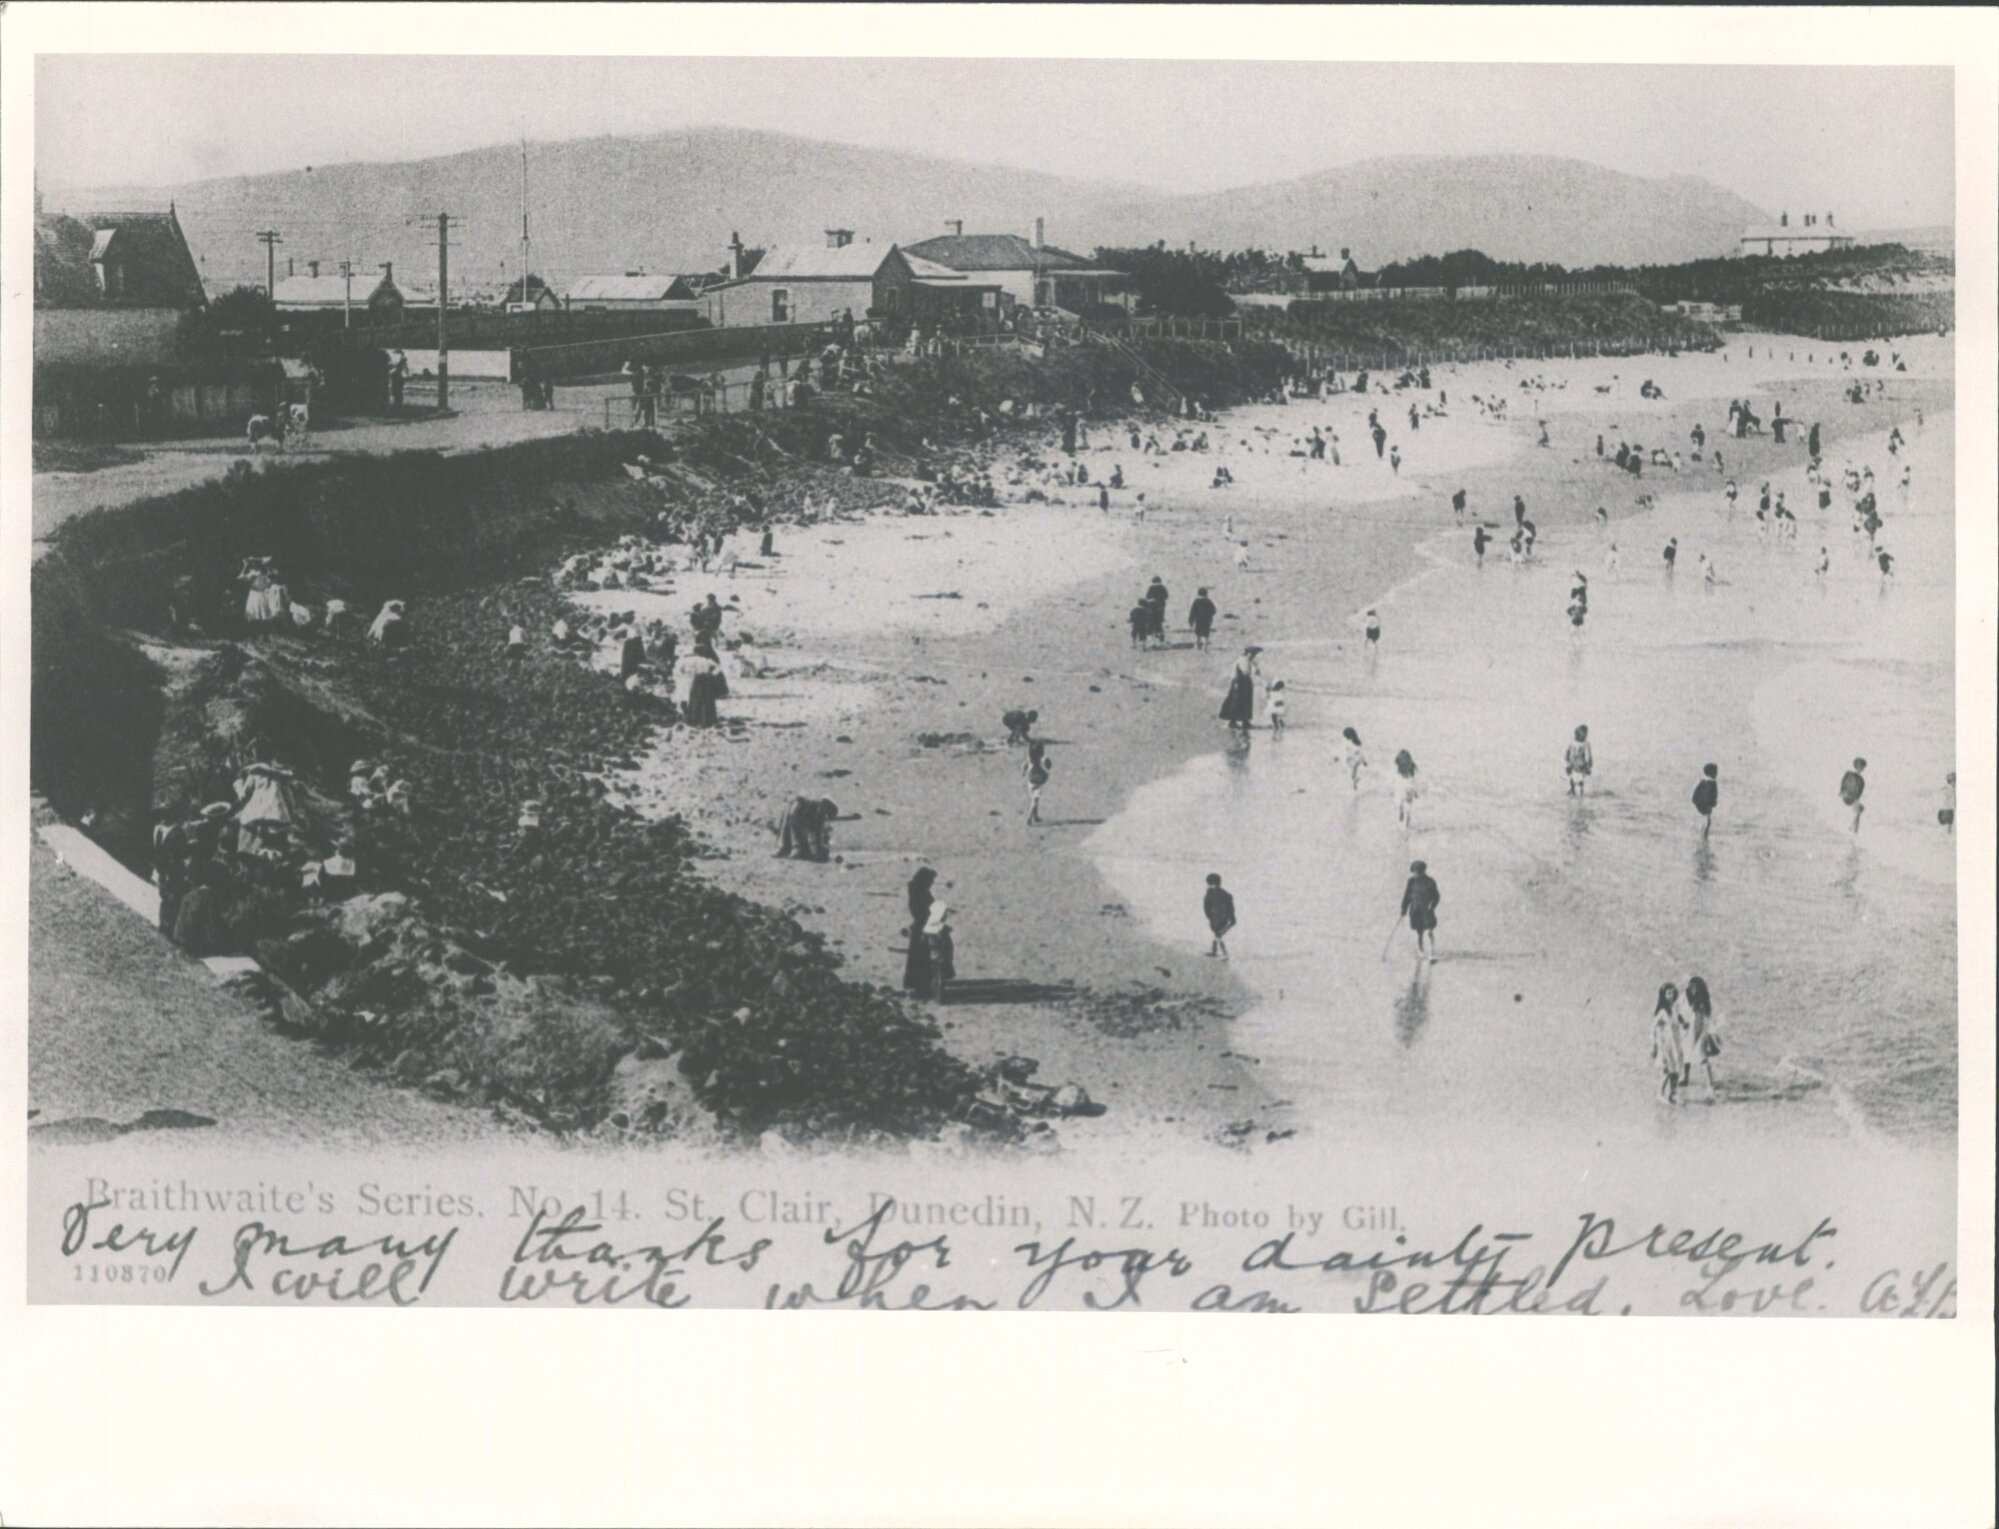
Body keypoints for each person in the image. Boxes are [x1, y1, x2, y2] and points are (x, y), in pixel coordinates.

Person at [1651, 983, 1689, 1105]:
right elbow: (1653, 1027)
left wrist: (1683, 1023)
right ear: (1663, 995)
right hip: (1665, 1045)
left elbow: (1678, 1016)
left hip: (1675, 1044)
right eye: (1668, 993)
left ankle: (1672, 1094)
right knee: (1666, 1071)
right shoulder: (1662, 1011)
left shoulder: (1674, 1006)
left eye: (1672, 993)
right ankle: (1660, 1094)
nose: (1671, 995)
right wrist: (1654, 1046)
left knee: (1676, 1071)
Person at [1684, 976, 1721, 1098]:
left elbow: (1699, 1022)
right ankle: (1690, 1079)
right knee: (1692, 1057)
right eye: (1691, 987)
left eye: (1694, 987)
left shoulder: (1699, 1004)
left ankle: (1710, 1084)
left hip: (1700, 1033)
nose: (1692, 989)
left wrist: (1695, 1038)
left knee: (1701, 1058)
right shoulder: (1701, 1002)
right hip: (1698, 1032)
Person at [902, 868, 938, 992]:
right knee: (922, 957)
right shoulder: (920, 892)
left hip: (922, 927)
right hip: (923, 928)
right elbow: (922, 912)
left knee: (919, 958)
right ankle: (922, 986)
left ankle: (918, 985)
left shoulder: (917, 891)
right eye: (931, 880)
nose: (932, 883)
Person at [1399, 859, 1441, 963]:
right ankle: (1421, 952)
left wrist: (1433, 905)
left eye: (1417, 872)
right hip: (1415, 909)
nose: (1415, 874)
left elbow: (1436, 896)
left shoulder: (1430, 881)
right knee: (1419, 932)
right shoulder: (1411, 881)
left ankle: (1432, 954)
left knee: (1430, 931)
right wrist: (1404, 909)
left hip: (1427, 909)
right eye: (1414, 872)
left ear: (1423, 871)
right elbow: (1407, 896)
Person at [775, 796, 839, 861]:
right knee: (797, 828)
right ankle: (800, 850)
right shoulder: (819, 809)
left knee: (795, 828)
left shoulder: (813, 805)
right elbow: (816, 831)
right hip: (797, 812)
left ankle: (798, 850)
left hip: (795, 810)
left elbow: (814, 829)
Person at [680, 643, 727, 727]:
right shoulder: (706, 660)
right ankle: (706, 720)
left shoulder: (688, 659)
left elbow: (681, 669)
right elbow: (718, 668)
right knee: (706, 700)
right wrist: (712, 674)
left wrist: (688, 673)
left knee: (694, 698)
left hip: (694, 679)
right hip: (705, 679)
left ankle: (694, 719)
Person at [922, 902, 956, 1000]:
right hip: (940, 955)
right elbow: (940, 941)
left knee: (936, 975)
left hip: (934, 954)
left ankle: (936, 994)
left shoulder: (929, 925)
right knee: (939, 976)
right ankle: (939, 996)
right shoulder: (938, 928)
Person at [1219, 648, 1258, 733]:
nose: (1254, 656)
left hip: (1243, 682)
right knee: (1237, 702)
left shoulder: (1247, 660)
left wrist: (1255, 665)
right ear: (1249, 654)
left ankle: (1245, 721)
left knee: (1246, 702)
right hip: (1240, 682)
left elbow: (1254, 673)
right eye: (1253, 654)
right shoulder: (1243, 660)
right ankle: (1233, 722)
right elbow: (1245, 672)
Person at [1203, 873, 1236, 961]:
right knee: (1218, 935)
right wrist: (1232, 919)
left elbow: (1206, 908)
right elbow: (1231, 907)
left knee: (1218, 935)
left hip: (1215, 918)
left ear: (1208, 882)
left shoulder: (1209, 894)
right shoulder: (1226, 894)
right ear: (1219, 882)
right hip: (1225, 918)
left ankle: (1224, 954)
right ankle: (1214, 950)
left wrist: (1210, 917)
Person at [1023, 741, 1052, 826]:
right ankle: (1029, 818)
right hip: (1039, 782)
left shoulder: (1029, 759)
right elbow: (1049, 766)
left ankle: (1035, 816)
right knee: (1035, 801)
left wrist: (1023, 772)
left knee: (1034, 799)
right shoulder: (1043, 759)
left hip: (1030, 782)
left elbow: (1024, 765)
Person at [1393, 749, 1421, 829]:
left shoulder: (1411, 770)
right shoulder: (1398, 773)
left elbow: (1415, 782)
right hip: (1401, 791)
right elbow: (1395, 784)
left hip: (1409, 791)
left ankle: (1406, 826)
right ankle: (1401, 817)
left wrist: (1415, 792)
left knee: (1408, 810)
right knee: (1400, 805)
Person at [1839, 757, 1867, 833]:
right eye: (1860, 766)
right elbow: (1843, 786)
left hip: (1852, 801)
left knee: (1858, 811)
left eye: (1862, 767)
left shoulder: (1861, 780)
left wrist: (1857, 802)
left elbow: (1859, 794)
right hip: (1845, 799)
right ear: (1856, 766)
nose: (1861, 768)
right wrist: (1843, 794)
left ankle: (1853, 831)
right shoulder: (1849, 774)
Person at [1693, 763, 1719, 838]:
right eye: (1716, 771)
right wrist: (1710, 804)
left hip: (1700, 808)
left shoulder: (1702, 782)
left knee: (1704, 827)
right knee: (1708, 824)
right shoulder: (1712, 784)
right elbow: (1711, 798)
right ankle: (1705, 839)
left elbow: (1694, 798)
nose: (1717, 773)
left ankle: (1704, 839)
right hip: (1706, 808)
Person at [1565, 725, 1593, 796]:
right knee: (1571, 776)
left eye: (1584, 734)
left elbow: (1589, 754)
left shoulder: (1586, 743)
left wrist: (1589, 763)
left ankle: (1581, 790)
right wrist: (1567, 759)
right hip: (1573, 762)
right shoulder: (1572, 742)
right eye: (1577, 733)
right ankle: (1572, 789)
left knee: (1581, 777)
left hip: (1582, 763)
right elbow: (1568, 751)